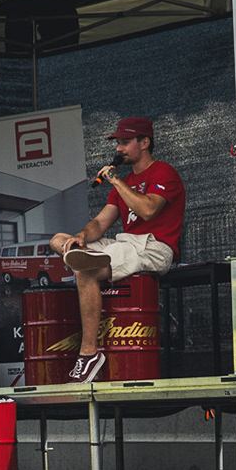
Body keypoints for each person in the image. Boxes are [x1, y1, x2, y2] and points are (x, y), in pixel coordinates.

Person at [49, 117, 185, 383]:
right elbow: (101, 223)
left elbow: (148, 210)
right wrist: (80, 237)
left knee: (86, 272)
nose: (119, 149)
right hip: (125, 243)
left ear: (144, 143)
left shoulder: (164, 172)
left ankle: (89, 354)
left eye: (125, 142)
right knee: (58, 239)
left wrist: (116, 181)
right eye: (118, 143)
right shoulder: (124, 182)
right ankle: (83, 256)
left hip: (154, 247)